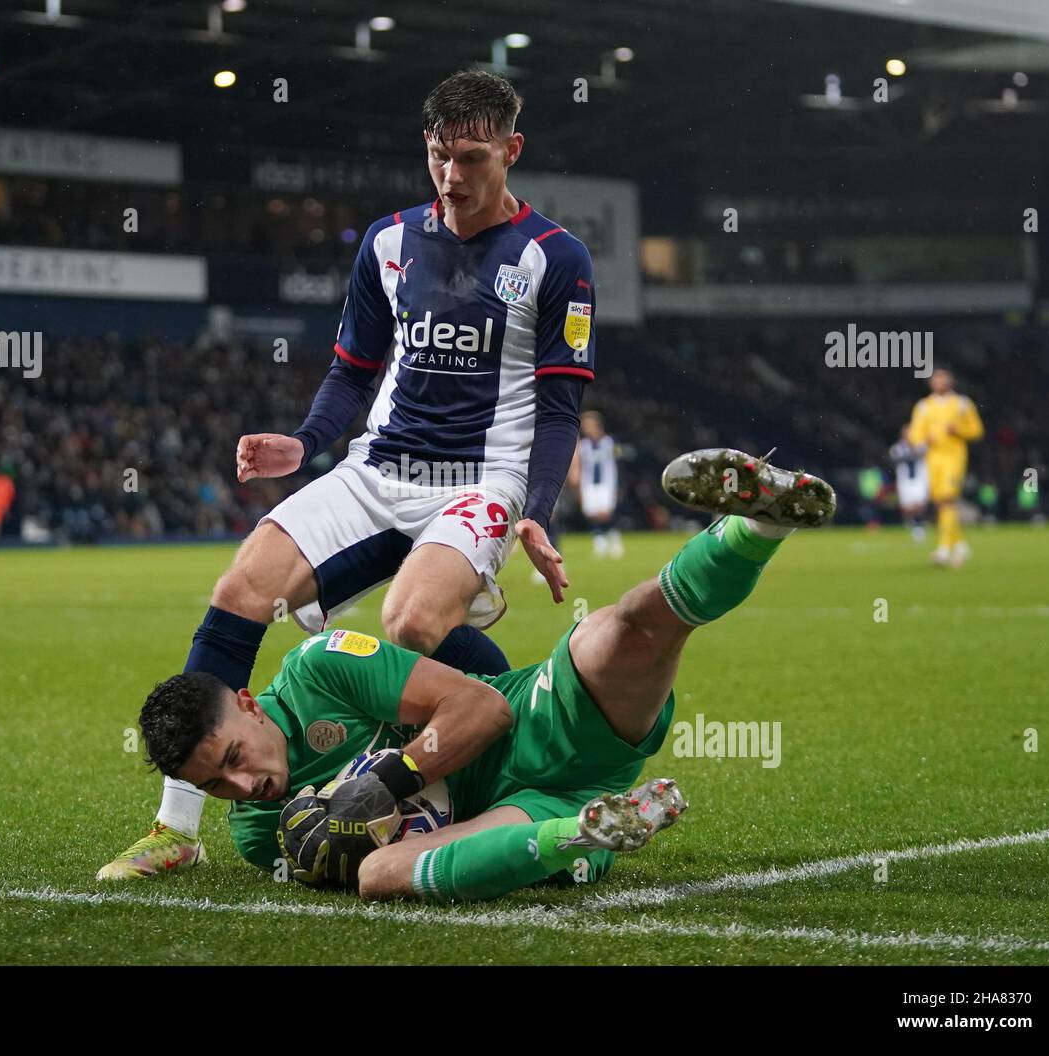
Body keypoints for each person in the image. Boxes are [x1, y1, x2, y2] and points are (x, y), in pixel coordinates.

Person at [99, 69, 600, 879]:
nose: (452, 176)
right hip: (377, 467)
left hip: (484, 478)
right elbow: (353, 368)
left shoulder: (556, 257)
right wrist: (307, 441)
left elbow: (559, 408)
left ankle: (430, 779)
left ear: (512, 150)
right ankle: (176, 828)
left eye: (472, 157)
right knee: (240, 590)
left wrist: (537, 507)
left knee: (406, 627)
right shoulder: (389, 241)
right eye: (439, 155)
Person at [135, 449, 836, 902]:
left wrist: (382, 782)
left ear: (250, 706)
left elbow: (485, 711)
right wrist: (359, 840)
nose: (241, 787)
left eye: (231, 758)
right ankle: (588, 831)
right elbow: (377, 857)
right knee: (382, 879)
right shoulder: (259, 834)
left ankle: (759, 523)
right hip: (507, 821)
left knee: (616, 631)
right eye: (212, 787)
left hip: (534, 727)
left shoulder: (321, 669)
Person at [905, 369, 983, 567]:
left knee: (948, 499)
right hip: (933, 459)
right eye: (936, 379)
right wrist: (923, 439)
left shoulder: (962, 404)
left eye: (942, 378)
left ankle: (944, 549)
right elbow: (914, 434)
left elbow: (977, 430)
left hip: (954, 457)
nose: (939, 382)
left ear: (950, 381)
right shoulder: (924, 406)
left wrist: (959, 430)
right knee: (940, 502)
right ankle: (958, 543)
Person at [570, 410, 623, 559]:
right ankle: (599, 542)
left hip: (607, 482)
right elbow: (580, 465)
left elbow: (618, 464)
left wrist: (619, 485)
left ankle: (614, 538)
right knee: (592, 513)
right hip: (589, 483)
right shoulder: (583, 445)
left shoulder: (610, 442)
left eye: (589, 425)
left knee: (606, 513)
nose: (587, 429)